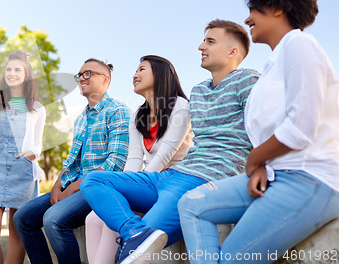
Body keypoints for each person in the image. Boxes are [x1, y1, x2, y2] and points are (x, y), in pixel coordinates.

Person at [178, 0, 339, 264]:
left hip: (310, 178)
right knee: (192, 204)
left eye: (254, 9)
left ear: (277, 9)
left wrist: (255, 160)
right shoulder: (274, 62)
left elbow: (301, 127)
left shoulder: (300, 44)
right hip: (274, 174)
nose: (247, 17)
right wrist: (262, 164)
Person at [81, 20, 259, 264]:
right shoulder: (199, 91)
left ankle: (136, 235)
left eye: (210, 41)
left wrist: (259, 169)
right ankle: (133, 229)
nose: (200, 46)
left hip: (202, 180)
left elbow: (263, 131)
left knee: (135, 252)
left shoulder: (248, 79)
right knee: (93, 181)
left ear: (232, 51)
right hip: (167, 176)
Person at [13, 58, 132, 264]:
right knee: (23, 217)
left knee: (53, 220)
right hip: (74, 185)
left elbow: (116, 163)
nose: (81, 79)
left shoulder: (118, 111)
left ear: (105, 80)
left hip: (99, 187)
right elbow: (72, 162)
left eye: (88, 74)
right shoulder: (81, 118)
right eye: (80, 75)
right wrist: (57, 186)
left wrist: (75, 187)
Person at [85, 55, 194, 264]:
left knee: (111, 223)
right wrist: (124, 187)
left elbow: (164, 155)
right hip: (150, 181)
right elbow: (134, 158)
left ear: (162, 74)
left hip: (173, 181)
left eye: (142, 69)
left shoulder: (181, 107)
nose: (135, 75)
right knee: (92, 218)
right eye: (135, 71)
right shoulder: (138, 115)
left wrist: (132, 187)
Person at [0, 51, 46, 264]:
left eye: (17, 70)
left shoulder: (37, 109)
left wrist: (34, 152)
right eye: (9, 69)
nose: (12, 73)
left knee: (18, 234)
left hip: (23, 173)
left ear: (26, 74)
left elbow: (38, 143)